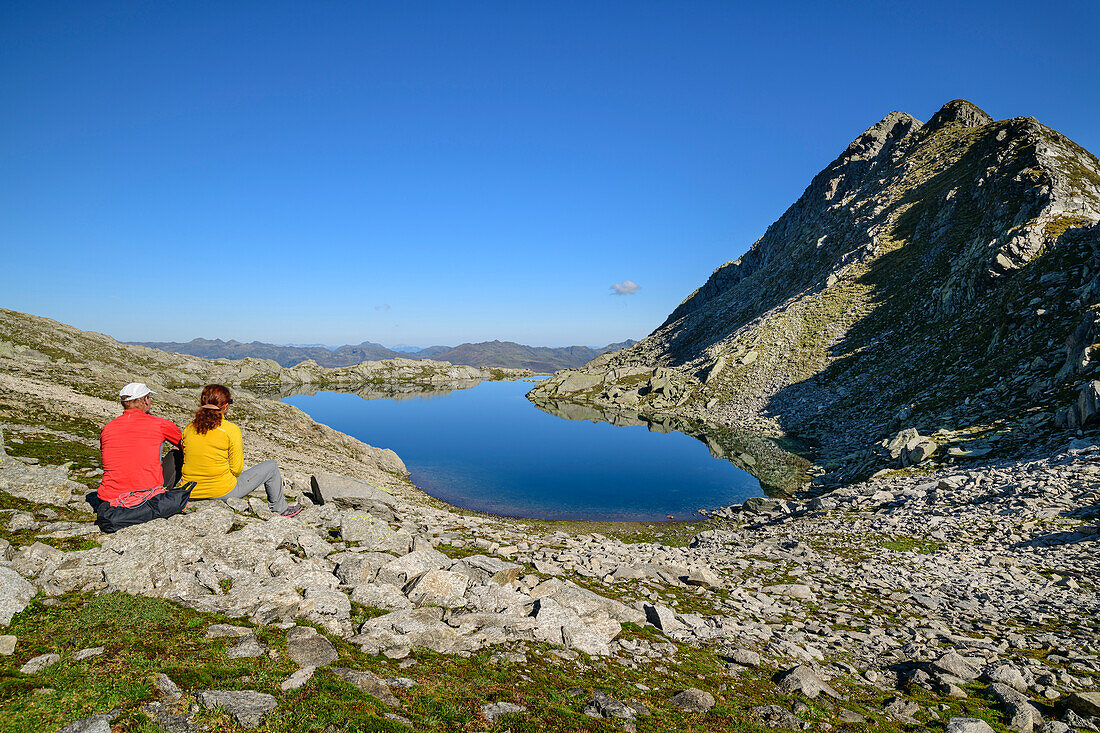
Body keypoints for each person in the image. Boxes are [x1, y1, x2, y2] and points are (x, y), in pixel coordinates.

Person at [180, 384, 303, 517]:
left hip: (189, 492)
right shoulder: (230, 429)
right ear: (226, 406)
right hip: (222, 492)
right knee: (271, 466)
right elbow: (237, 469)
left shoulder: (189, 428)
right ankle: (281, 509)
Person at [96, 382, 194, 533]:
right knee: (177, 453)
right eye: (149, 397)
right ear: (146, 400)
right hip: (147, 496)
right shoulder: (160, 424)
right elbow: (187, 446)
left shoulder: (107, 428)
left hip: (110, 500)